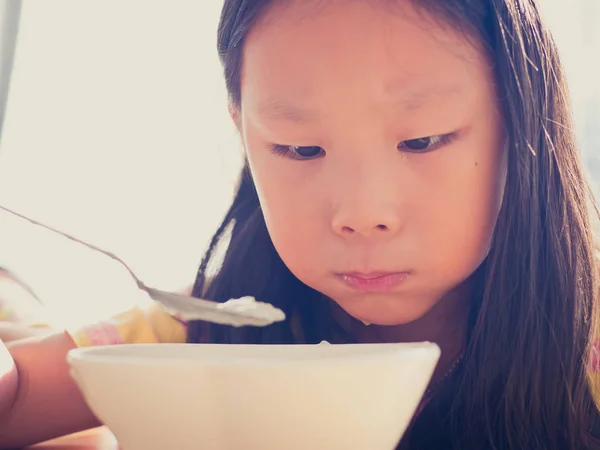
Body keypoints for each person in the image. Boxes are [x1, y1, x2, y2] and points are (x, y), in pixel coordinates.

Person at [1, 0, 599, 448]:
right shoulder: (195, 333)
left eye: (422, 140)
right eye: (299, 149)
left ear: (525, 121)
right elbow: (16, 396)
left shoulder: (587, 343)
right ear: (244, 134)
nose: (362, 216)